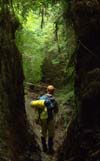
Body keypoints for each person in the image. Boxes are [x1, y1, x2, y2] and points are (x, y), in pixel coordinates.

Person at [31, 85, 58, 154]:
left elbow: (37, 108)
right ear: (53, 92)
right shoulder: (53, 100)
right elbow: (56, 111)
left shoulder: (41, 98)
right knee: (51, 134)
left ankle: (44, 148)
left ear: (47, 90)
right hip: (50, 119)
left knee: (43, 133)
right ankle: (50, 149)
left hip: (42, 119)